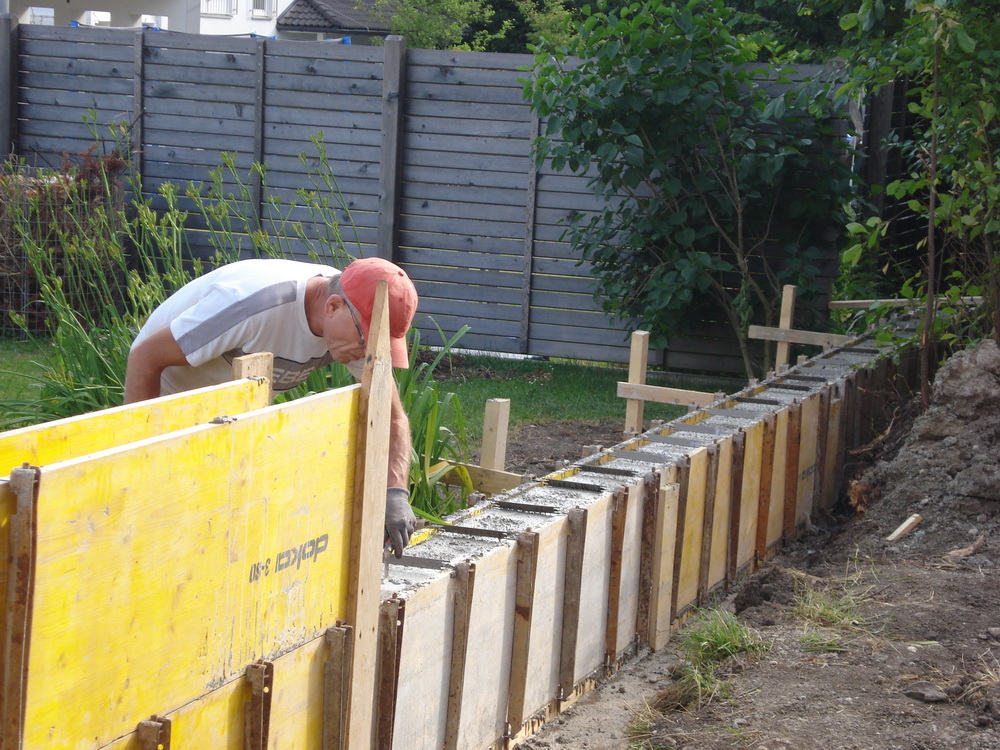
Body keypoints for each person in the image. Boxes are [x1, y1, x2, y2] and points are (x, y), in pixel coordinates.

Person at [124, 256, 418, 557]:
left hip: (229, 419)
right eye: (364, 342)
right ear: (332, 307)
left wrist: (394, 490)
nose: (365, 354)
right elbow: (145, 357)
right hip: (167, 405)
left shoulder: (353, 311)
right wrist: (143, 461)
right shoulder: (252, 304)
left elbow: (390, 413)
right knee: (158, 533)